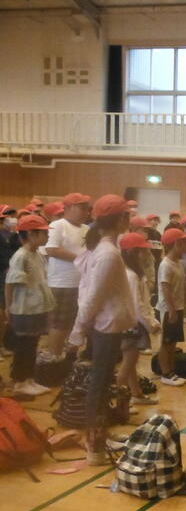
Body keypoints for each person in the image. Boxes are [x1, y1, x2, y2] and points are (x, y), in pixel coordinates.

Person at [69, 194, 136, 465]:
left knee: (103, 381)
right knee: (99, 383)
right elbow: (92, 296)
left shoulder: (104, 249)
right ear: (119, 220)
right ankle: (94, 445)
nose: (129, 219)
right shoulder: (107, 254)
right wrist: (77, 331)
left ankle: (100, 435)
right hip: (105, 326)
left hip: (107, 325)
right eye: (127, 216)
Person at [4, 214, 55, 396]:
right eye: (44, 233)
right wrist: (9, 307)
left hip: (36, 307)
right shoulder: (21, 256)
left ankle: (29, 379)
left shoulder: (37, 254)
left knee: (32, 345)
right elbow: (10, 284)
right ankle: (19, 382)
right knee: (23, 346)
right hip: (24, 309)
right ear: (31, 234)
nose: (47, 236)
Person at [43, 192, 91, 360]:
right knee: (59, 323)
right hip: (61, 282)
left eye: (87, 208)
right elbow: (52, 249)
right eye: (82, 207)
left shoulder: (86, 229)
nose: (86, 212)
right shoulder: (58, 225)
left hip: (82, 283)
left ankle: (69, 359)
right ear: (69, 207)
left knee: (76, 323)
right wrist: (80, 259)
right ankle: (54, 357)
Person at [119, 232, 161, 405]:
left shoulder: (132, 273)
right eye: (142, 251)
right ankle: (118, 401)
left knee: (131, 362)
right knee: (128, 363)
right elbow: (137, 306)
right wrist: (151, 323)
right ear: (132, 252)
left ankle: (136, 393)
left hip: (131, 322)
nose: (146, 254)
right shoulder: (130, 275)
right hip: (131, 324)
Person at [157, 228, 186, 387]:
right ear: (176, 244)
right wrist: (171, 310)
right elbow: (166, 288)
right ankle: (165, 373)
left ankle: (171, 371)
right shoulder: (165, 264)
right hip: (168, 309)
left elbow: (182, 287)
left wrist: (185, 306)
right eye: (184, 242)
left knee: (173, 343)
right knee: (166, 342)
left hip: (177, 307)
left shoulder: (178, 263)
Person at [0, 206, 21, 360]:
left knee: (2, 315)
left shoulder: (8, 237)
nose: (4, 222)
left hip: (3, 276)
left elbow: (7, 256)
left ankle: (1, 345)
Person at [129, 216, 156, 295]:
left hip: (144, 289)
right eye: (144, 230)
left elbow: (150, 272)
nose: (146, 232)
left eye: (147, 230)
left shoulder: (146, 248)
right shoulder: (127, 247)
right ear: (134, 230)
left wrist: (149, 285)